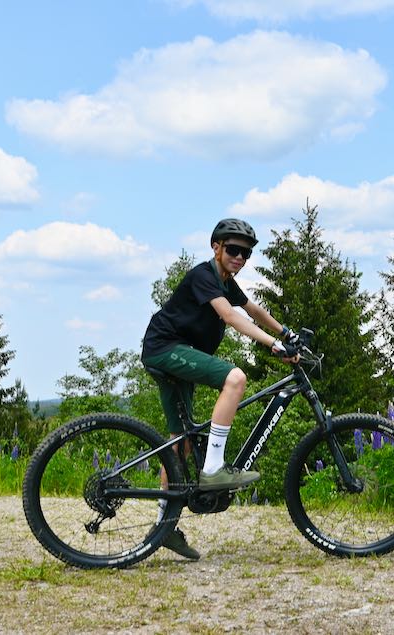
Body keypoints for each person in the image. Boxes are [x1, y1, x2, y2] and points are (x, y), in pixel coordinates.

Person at [141, 218, 300, 560]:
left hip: (172, 351)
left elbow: (252, 309)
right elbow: (230, 316)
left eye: (246, 253)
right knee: (235, 378)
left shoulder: (226, 281)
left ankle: (164, 527)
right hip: (166, 348)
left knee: (180, 444)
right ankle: (213, 468)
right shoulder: (204, 276)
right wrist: (273, 344)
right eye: (233, 250)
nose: (239, 257)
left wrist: (286, 333)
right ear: (216, 247)